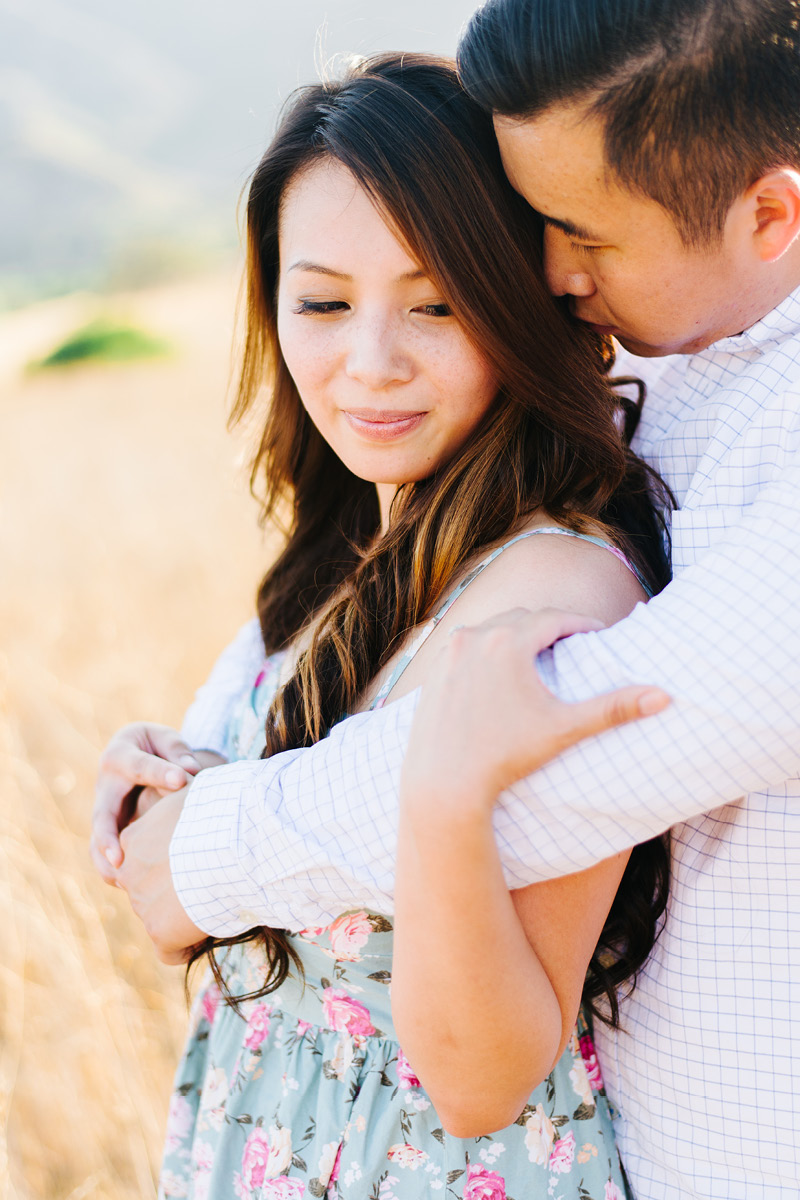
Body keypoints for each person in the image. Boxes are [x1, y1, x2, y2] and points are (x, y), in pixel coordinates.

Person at [94, 1, 800, 1196]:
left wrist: (399, 796)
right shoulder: (363, 545)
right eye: (320, 302)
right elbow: (175, 894)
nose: (370, 359)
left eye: (438, 301)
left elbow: (481, 1076)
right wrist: (166, 776)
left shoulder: (561, 584)